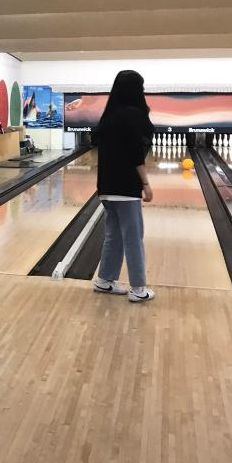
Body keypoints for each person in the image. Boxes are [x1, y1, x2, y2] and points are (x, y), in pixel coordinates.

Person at [94, 70, 155, 302]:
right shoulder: (133, 114)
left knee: (114, 235)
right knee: (133, 237)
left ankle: (104, 280)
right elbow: (135, 152)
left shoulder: (109, 115)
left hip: (106, 187)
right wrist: (145, 183)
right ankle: (139, 289)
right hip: (126, 187)